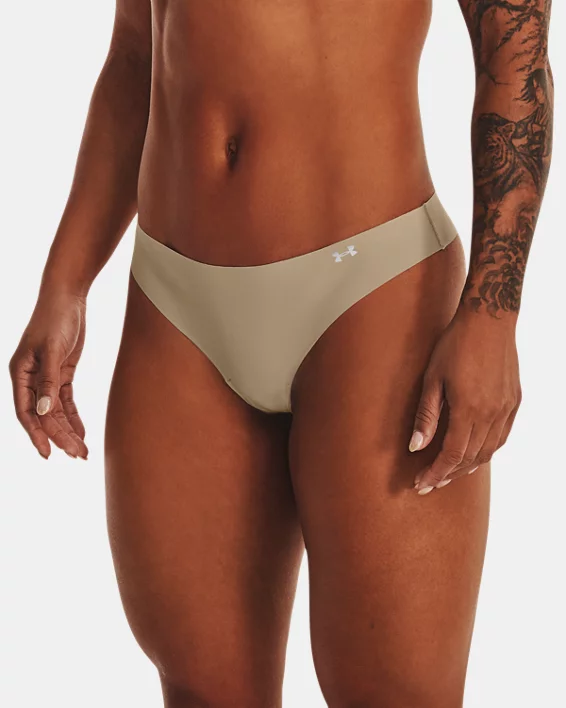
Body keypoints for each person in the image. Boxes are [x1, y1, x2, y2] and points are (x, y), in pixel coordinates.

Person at [9, 1, 554, 706]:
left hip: (373, 287)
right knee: (203, 690)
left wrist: (492, 314)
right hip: (176, 301)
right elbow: (138, 52)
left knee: (398, 695)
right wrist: (65, 283)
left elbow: (513, 53)